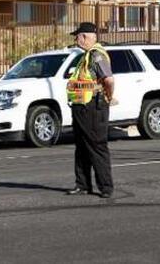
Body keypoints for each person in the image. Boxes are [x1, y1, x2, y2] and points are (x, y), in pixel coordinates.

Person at [65, 22, 115, 199]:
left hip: (93, 107)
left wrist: (109, 96)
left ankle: (105, 187)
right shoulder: (85, 57)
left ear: (85, 36)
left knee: (96, 146)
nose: (76, 40)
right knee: (81, 146)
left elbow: (108, 80)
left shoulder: (96, 55)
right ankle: (83, 185)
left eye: (77, 36)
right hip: (81, 106)